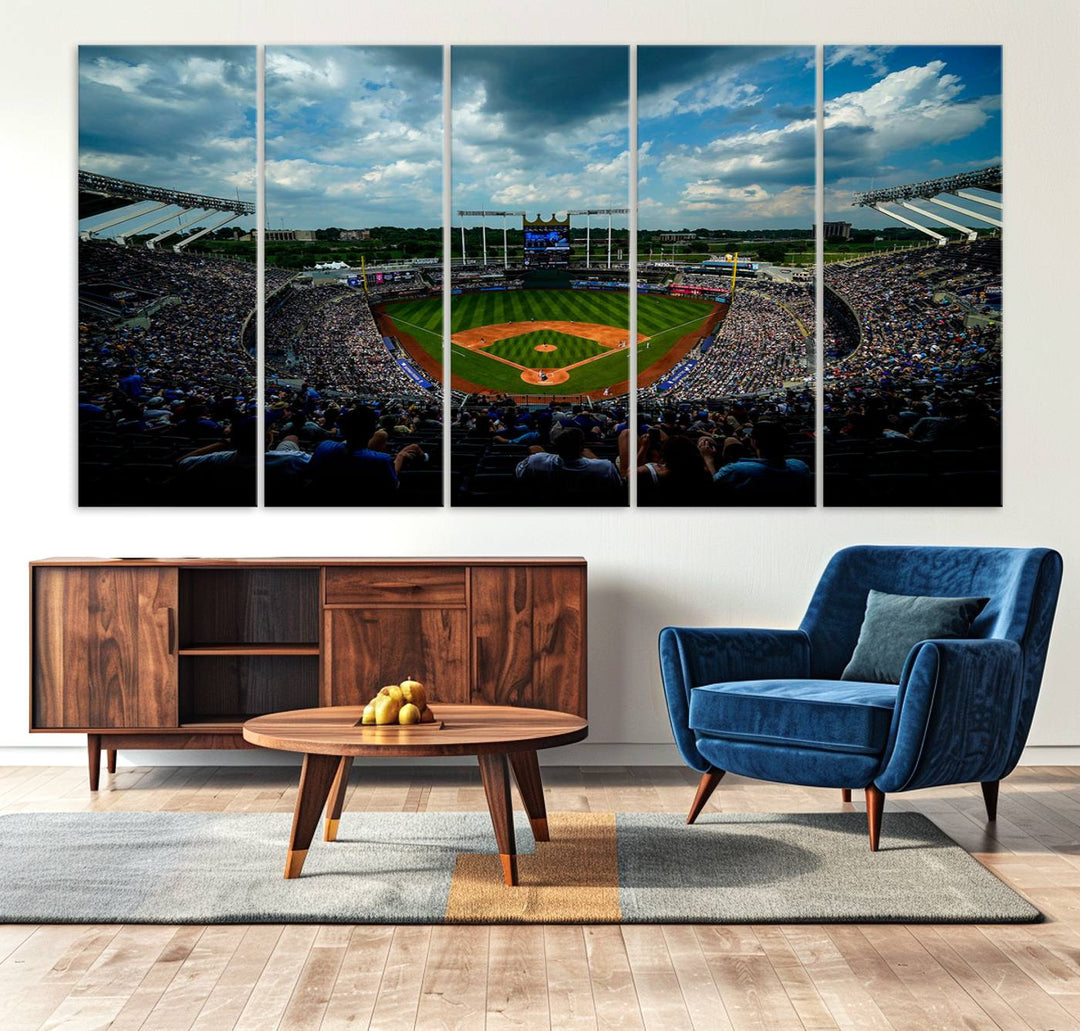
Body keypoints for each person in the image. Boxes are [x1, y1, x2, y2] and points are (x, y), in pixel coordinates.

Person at [701, 421, 812, 506]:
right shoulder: (801, 466)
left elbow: (714, 484)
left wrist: (708, 458)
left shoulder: (735, 470)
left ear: (754, 442)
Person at [515, 427, 623, 502]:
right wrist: (592, 457)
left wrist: (544, 455)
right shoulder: (604, 467)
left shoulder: (536, 461)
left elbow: (519, 473)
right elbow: (617, 487)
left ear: (556, 447)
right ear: (581, 447)